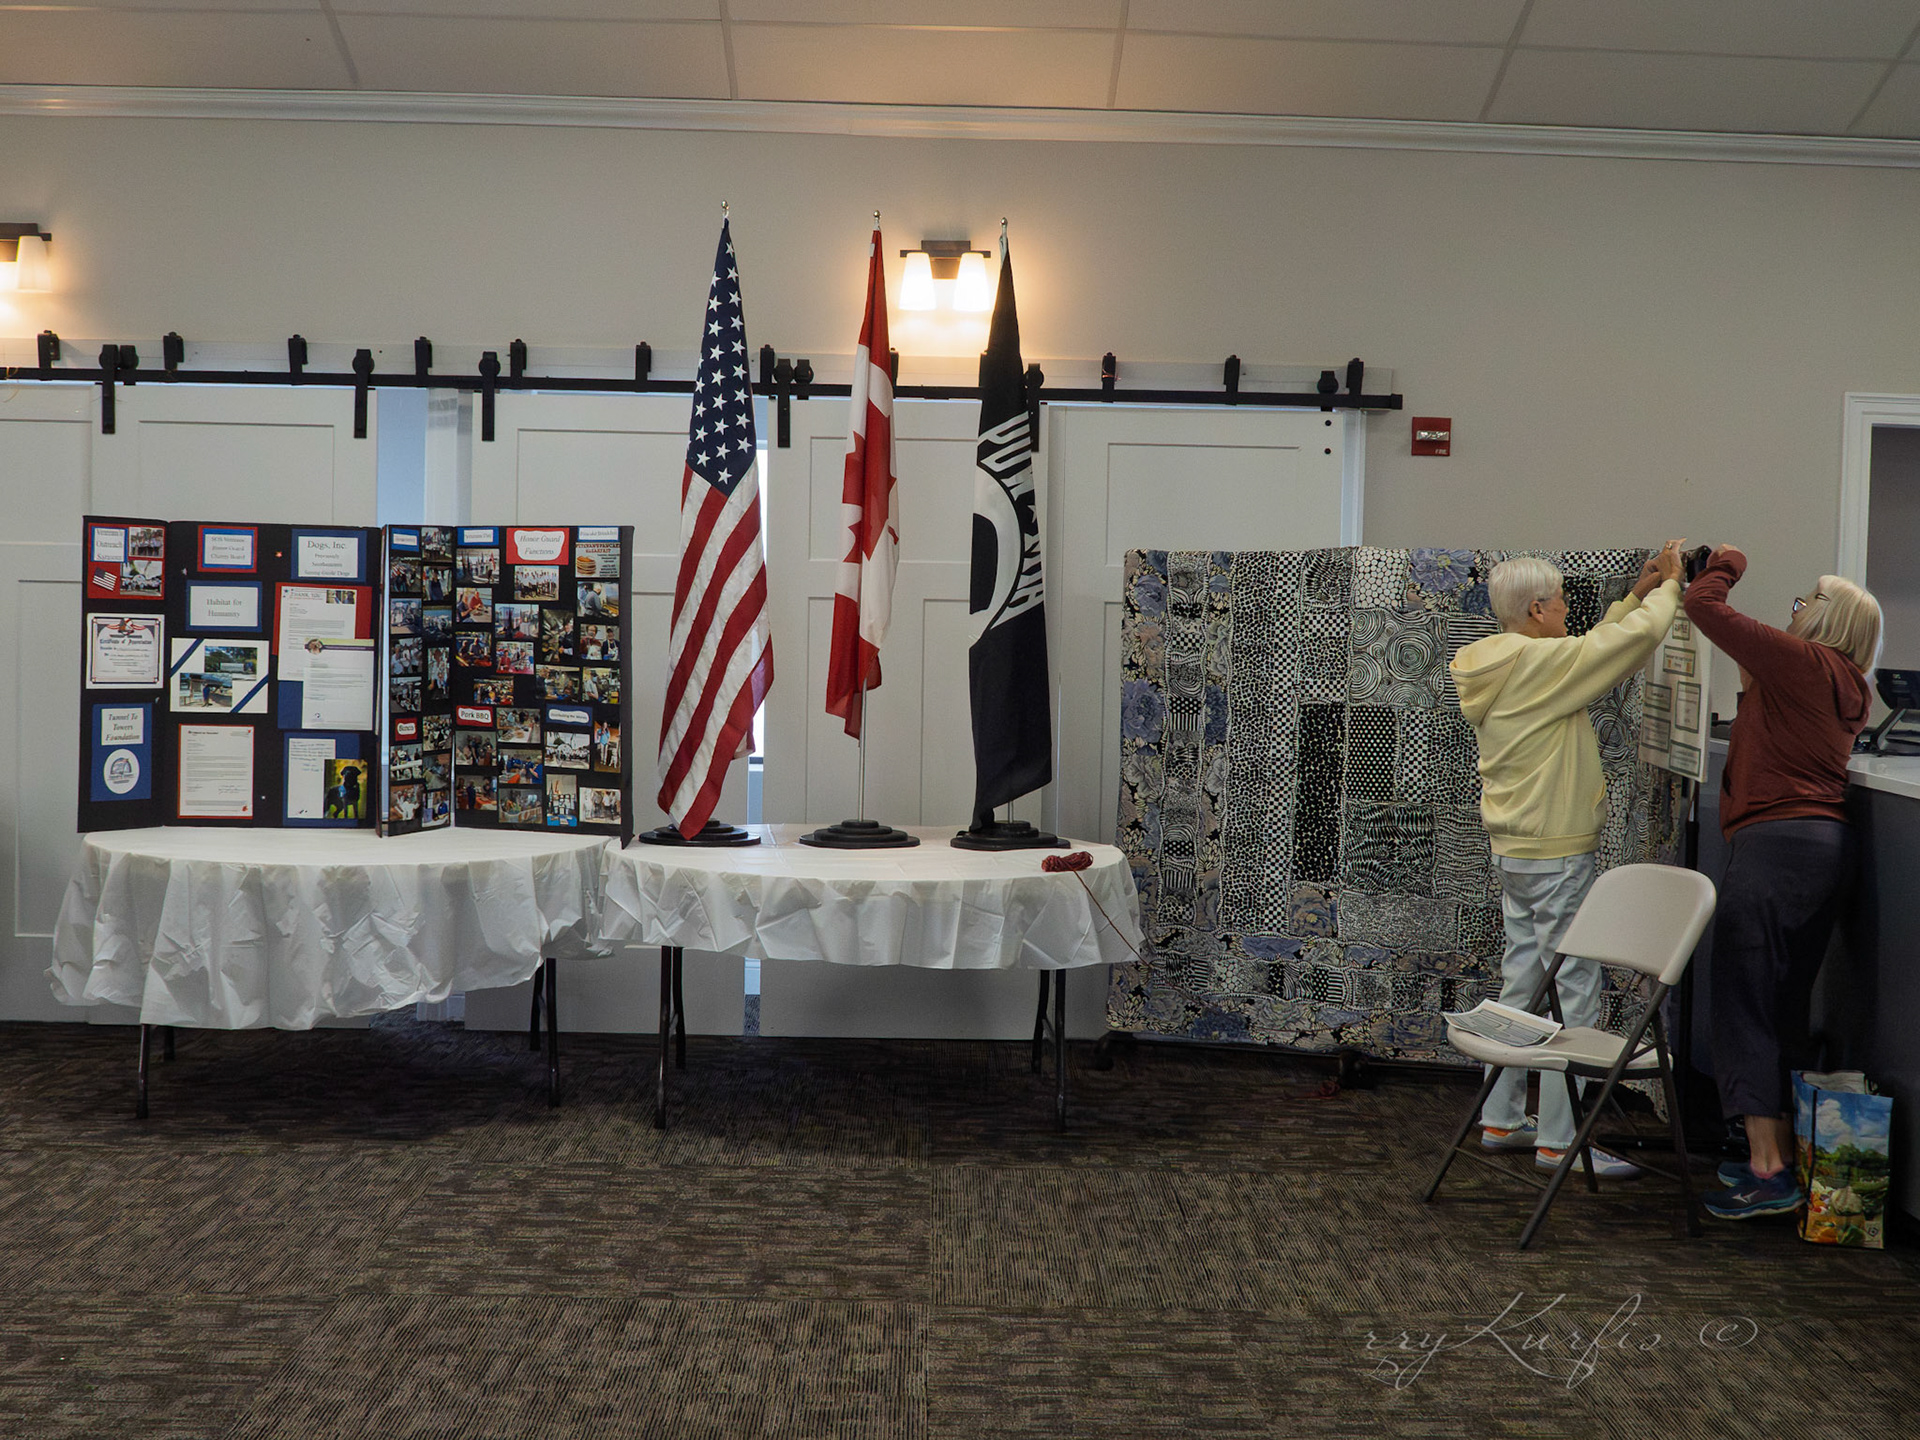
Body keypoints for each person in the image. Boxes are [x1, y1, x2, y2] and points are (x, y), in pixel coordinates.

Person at [1450, 540, 1686, 1179]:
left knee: (1524, 982)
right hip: (1556, 853)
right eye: (1558, 603)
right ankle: (1561, 1141)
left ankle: (1502, 1118)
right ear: (1536, 609)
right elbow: (1626, 644)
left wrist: (1636, 593)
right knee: (1574, 994)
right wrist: (1670, 587)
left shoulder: (1499, 661)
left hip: (1517, 851)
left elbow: (1588, 649)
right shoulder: (1537, 664)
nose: (1565, 611)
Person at [1682, 548, 1880, 1219]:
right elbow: (1763, 701)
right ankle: (1781, 1155)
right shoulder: (1845, 681)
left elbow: (1704, 606)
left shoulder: (1804, 663)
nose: (1794, 610)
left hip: (1774, 847)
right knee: (1781, 1003)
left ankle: (1767, 1170)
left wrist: (1726, 562)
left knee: (1744, 1000)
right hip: (1820, 849)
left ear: (1825, 619)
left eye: (1804, 601)